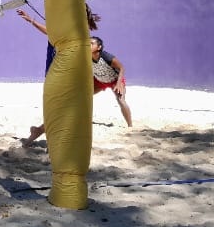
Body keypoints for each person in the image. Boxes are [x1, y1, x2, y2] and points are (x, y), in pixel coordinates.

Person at [17, 8, 130, 143]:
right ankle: (42, 132)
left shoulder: (88, 42)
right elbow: (51, 33)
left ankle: (40, 132)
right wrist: (31, 20)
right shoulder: (76, 36)